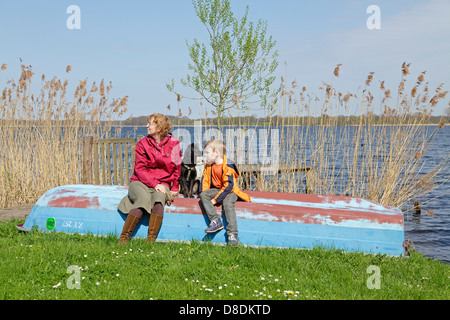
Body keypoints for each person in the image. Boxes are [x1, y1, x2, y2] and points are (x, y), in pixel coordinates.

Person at [117, 113, 181, 245]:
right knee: (143, 199)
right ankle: (123, 239)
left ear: (159, 128)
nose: (147, 126)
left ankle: (149, 241)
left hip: (163, 183)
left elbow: (177, 168)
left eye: (150, 124)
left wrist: (174, 187)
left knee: (159, 199)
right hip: (140, 182)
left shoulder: (174, 143)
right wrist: (154, 183)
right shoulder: (142, 144)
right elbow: (140, 169)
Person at [199, 139, 251, 246]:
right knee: (203, 195)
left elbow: (229, 186)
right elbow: (205, 180)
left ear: (216, 153)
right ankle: (215, 220)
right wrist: (205, 194)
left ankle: (232, 234)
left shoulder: (228, 165)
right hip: (219, 190)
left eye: (208, 153)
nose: (206, 156)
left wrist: (216, 200)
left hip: (231, 191)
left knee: (227, 204)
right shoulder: (210, 165)